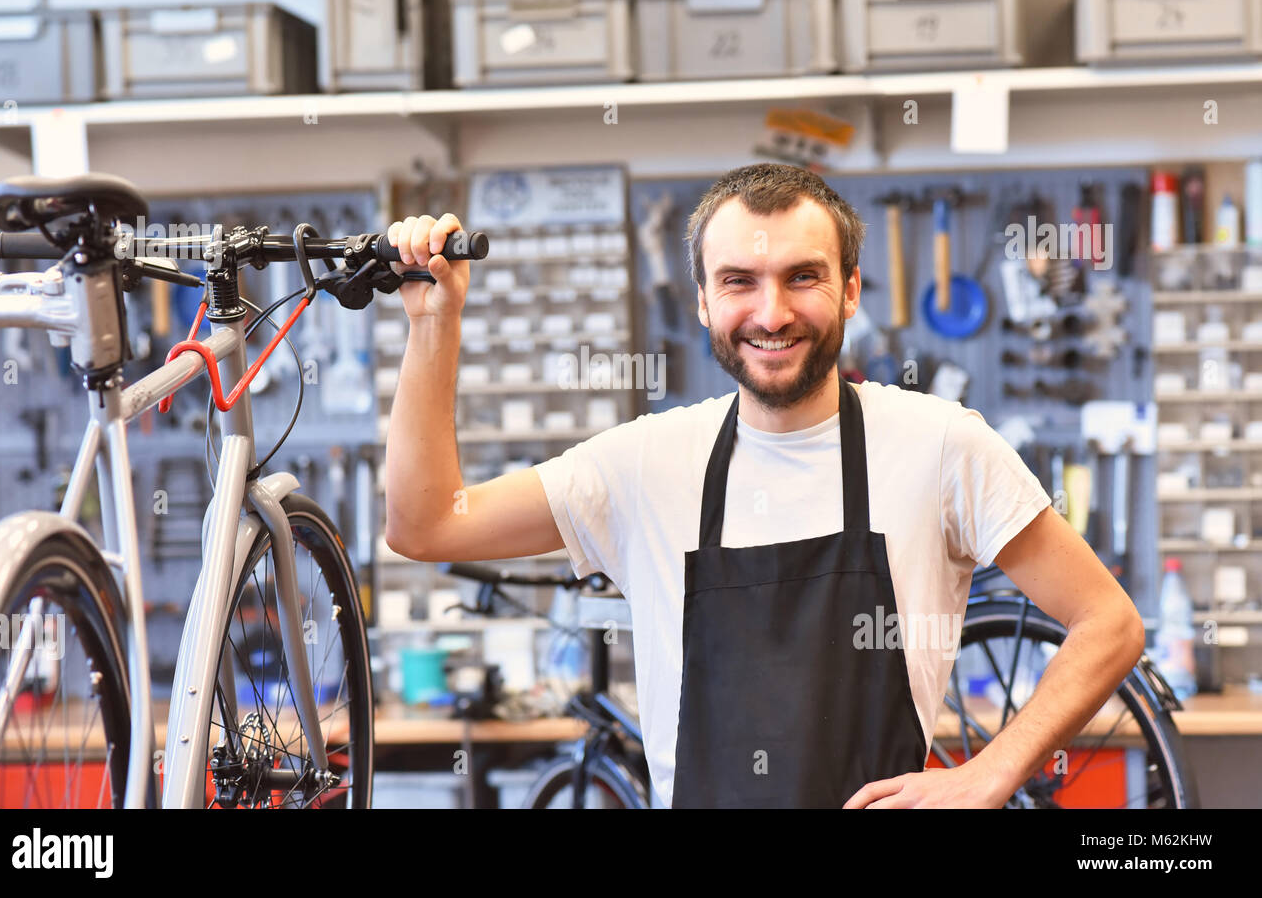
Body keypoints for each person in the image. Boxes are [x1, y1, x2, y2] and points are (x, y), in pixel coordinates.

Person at [382, 162, 1146, 809]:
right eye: (739, 281)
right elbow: (427, 527)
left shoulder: (941, 444)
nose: (771, 312)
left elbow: (1108, 621)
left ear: (850, 289)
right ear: (705, 301)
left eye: (802, 277)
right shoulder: (646, 464)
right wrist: (434, 322)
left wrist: (990, 773)